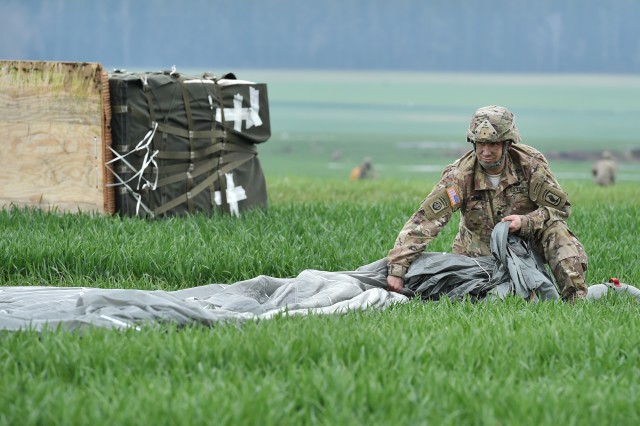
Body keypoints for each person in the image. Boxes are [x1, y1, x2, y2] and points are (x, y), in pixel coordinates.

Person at [386, 105, 589, 302]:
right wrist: (397, 269)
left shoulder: (530, 166)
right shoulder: (460, 175)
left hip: (527, 247)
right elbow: (425, 221)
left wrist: (526, 221)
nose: (486, 151)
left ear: (507, 144)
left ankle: (575, 300)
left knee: (557, 231)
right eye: (480, 144)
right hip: (478, 255)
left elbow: (560, 208)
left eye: (493, 144)